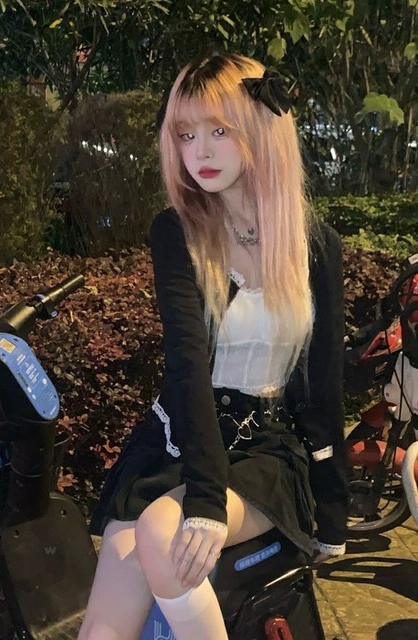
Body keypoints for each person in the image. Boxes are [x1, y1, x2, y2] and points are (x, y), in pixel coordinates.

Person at [77, 53, 348, 640]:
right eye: (185, 134)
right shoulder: (178, 233)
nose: (198, 151)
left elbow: (322, 386)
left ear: (261, 131)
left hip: (268, 449)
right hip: (181, 439)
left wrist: (333, 506)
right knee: (103, 626)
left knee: (161, 534)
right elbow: (187, 365)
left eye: (219, 131)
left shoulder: (315, 246)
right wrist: (203, 495)